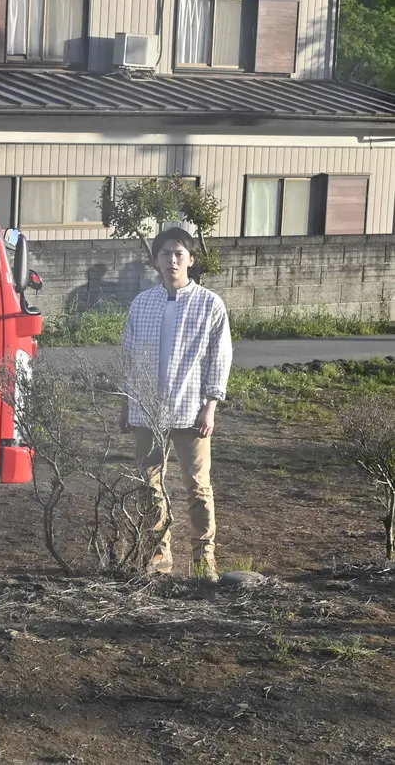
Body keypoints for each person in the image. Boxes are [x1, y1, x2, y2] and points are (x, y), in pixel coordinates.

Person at [119, 227, 233, 580]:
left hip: (190, 408)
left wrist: (210, 404)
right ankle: (158, 554)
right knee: (149, 483)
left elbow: (220, 356)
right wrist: (125, 403)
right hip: (147, 409)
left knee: (197, 485)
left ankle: (204, 558)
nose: (172, 260)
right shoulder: (142, 303)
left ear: (191, 259)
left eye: (178, 254)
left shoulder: (209, 303)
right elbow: (128, 355)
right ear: (156, 260)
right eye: (165, 254)